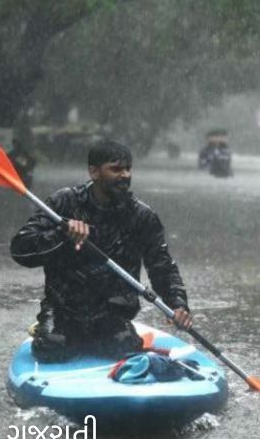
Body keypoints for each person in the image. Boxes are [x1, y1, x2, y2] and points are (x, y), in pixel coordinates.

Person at [10, 140, 192, 362]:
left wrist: (178, 304)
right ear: (94, 172)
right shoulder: (63, 202)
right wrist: (62, 233)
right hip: (63, 311)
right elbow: (20, 250)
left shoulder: (142, 216)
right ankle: (46, 328)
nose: (125, 175)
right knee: (52, 347)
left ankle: (103, 338)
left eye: (128, 169)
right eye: (116, 169)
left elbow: (162, 266)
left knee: (123, 347)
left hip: (112, 314)